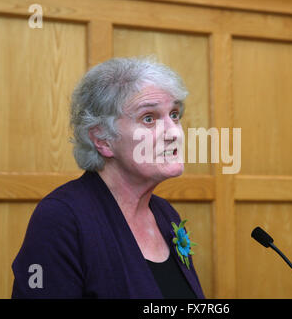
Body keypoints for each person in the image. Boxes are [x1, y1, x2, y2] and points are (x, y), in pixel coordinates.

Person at [11, 57, 205, 298]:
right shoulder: (61, 219)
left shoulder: (166, 215)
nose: (174, 132)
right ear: (102, 140)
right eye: (149, 118)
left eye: (174, 115)